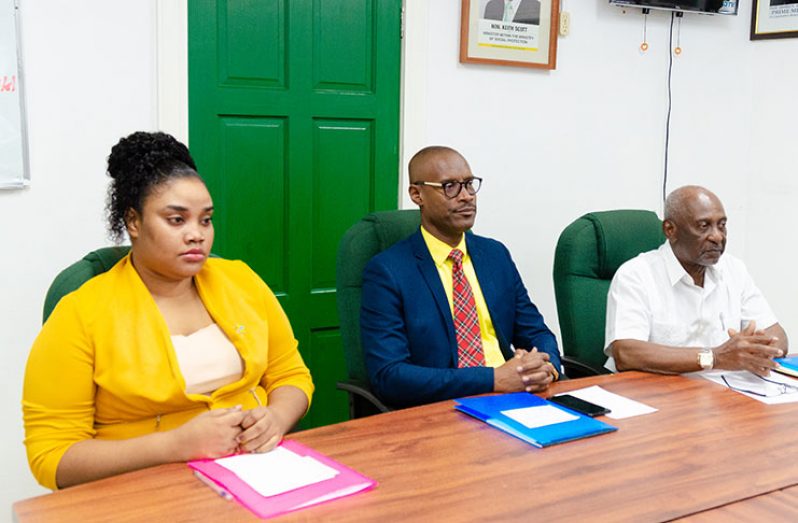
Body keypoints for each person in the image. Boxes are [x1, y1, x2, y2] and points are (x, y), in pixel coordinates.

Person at [23, 131, 314, 490]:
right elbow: (51, 457)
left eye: (205, 220)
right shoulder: (81, 313)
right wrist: (175, 445)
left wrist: (276, 417)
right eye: (177, 220)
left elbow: (291, 374)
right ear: (133, 222)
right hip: (144, 490)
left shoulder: (241, 280)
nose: (197, 235)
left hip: (255, 475)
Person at [360, 146, 560, 408]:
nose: (466, 196)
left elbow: (536, 332)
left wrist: (545, 365)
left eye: (469, 184)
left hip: (516, 398)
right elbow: (390, 375)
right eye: (450, 186)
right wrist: (493, 379)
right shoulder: (388, 271)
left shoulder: (494, 255)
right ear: (416, 194)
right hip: (442, 408)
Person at [605, 185, 788, 375]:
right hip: (657, 393)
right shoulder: (636, 275)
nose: (717, 236)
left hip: (724, 392)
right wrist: (716, 357)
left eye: (722, 225)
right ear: (670, 230)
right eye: (704, 226)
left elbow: (778, 337)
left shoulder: (734, 270)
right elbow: (626, 353)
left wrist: (755, 349)